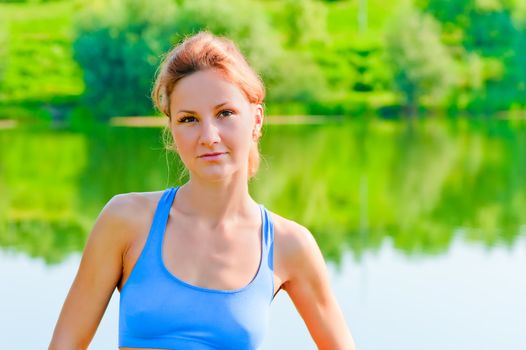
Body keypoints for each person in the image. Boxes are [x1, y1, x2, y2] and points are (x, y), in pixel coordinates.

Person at [49, 32, 356, 350]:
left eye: (225, 113)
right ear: (172, 130)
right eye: (189, 119)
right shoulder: (125, 220)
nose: (209, 136)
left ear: (257, 119)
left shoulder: (289, 244)